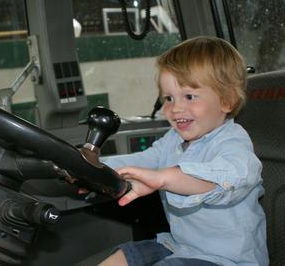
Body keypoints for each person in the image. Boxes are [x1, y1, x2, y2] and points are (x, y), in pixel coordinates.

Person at [99, 36, 268, 266]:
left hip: (226, 260)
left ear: (226, 100)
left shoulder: (233, 144)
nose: (176, 108)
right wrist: (97, 167)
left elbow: (223, 178)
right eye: (169, 98)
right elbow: (143, 160)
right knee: (121, 259)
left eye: (189, 96)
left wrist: (164, 178)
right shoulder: (173, 140)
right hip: (180, 247)